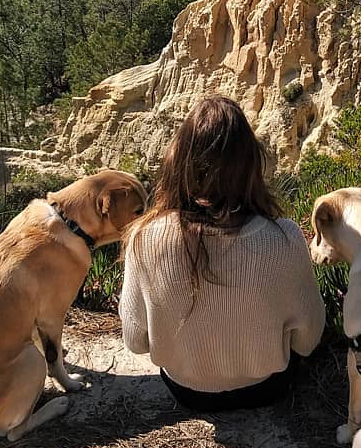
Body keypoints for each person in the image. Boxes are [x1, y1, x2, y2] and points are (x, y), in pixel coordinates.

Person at [120, 95, 326, 411]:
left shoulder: (143, 238)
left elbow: (135, 341)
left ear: (179, 162)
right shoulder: (284, 237)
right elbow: (308, 341)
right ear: (250, 165)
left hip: (184, 390)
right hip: (265, 388)